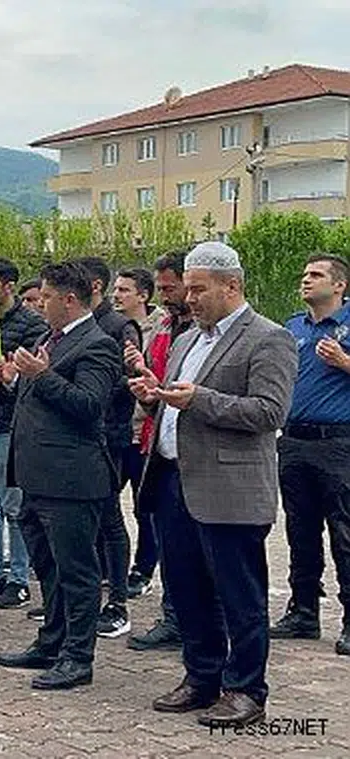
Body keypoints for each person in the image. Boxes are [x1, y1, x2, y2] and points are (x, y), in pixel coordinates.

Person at [129, 241, 297, 729]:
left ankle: (246, 689)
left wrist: (198, 399)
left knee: (239, 595)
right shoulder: (185, 339)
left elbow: (269, 412)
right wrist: (154, 395)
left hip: (229, 488)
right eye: (188, 288)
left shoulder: (268, 338)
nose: (191, 297)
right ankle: (201, 678)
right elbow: (179, 402)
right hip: (173, 481)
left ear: (233, 286)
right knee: (187, 589)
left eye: (200, 289)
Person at [0, 261, 122, 690]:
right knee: (47, 568)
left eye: (46, 296)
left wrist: (41, 375)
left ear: (70, 299)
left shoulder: (97, 344)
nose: (40, 304)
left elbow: (89, 406)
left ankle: (77, 657)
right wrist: (16, 379)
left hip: (71, 478)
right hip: (35, 476)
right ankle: (51, 641)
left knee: (77, 571)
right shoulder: (47, 338)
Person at [271, 253, 350, 655]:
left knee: (345, 532)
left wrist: (345, 362)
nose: (306, 280)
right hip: (295, 439)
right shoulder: (292, 327)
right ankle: (302, 612)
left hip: (338, 442)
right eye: (304, 274)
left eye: (316, 275)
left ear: (339, 285)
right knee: (300, 530)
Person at [124, 250, 193, 651]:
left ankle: (201, 622)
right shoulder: (165, 327)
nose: (166, 295)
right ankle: (173, 616)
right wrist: (147, 390)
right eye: (162, 287)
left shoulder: (204, 332)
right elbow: (159, 385)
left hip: (199, 451)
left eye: (172, 287)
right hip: (159, 443)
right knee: (170, 538)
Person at [0, 258, 48, 610]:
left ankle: (19, 577)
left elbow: (35, 376)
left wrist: (10, 377)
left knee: (13, 505)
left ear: (9, 286)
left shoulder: (31, 325)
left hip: (11, 425)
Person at [77, 256, 140, 639]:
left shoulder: (118, 327)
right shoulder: (76, 326)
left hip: (108, 434)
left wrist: (88, 389)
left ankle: (118, 601)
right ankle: (83, 593)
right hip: (75, 437)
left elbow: (127, 379)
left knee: (109, 517)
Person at [112, 266, 164, 599]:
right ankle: (110, 566)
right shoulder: (112, 328)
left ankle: (143, 570)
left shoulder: (162, 328)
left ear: (143, 296)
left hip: (147, 430)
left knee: (146, 508)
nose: (117, 296)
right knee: (107, 503)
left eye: (124, 290)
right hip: (119, 431)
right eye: (115, 290)